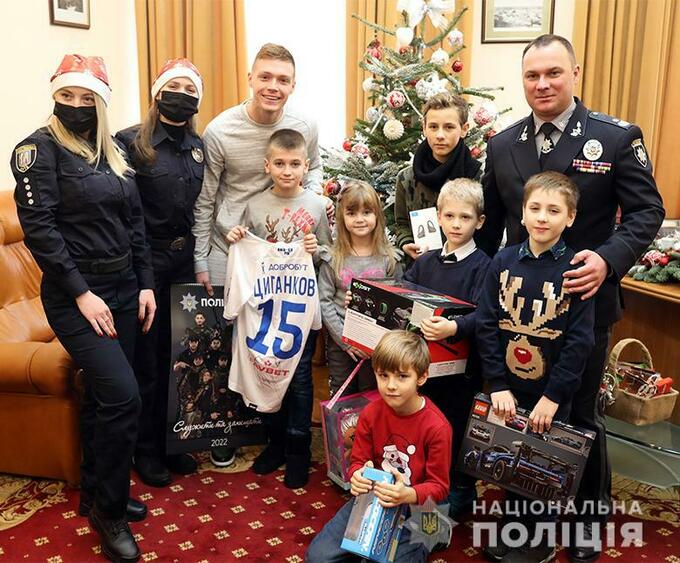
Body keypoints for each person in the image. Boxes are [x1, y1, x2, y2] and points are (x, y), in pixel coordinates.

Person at [476, 34, 665, 562]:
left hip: (585, 306)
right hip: (519, 309)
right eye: (532, 75)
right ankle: (527, 525)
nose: (542, 84)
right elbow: (491, 229)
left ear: (575, 74)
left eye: (553, 73)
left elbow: (647, 211)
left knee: (578, 418)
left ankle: (585, 526)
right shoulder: (503, 144)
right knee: (522, 416)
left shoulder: (614, 138)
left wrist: (608, 259)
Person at [11, 54, 156, 562]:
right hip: (77, 296)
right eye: (66, 95)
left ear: (101, 102)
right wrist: (81, 292)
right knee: (123, 396)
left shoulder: (113, 150)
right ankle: (109, 514)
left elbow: (134, 222)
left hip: (124, 287)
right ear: (55, 96)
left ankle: (95, 492)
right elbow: (41, 233)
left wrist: (145, 284)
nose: (76, 104)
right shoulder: (36, 151)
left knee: (100, 397)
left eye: (86, 97)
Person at [192, 42, 324, 467]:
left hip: (286, 249)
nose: (273, 86)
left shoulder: (304, 125)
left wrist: (307, 219)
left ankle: (282, 438)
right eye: (265, 77)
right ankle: (228, 429)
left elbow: (314, 175)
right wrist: (201, 258)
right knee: (233, 342)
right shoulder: (220, 131)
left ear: (293, 85)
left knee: (282, 346)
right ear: (250, 78)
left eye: (282, 79)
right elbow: (205, 199)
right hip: (231, 245)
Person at [476, 172, 596, 562]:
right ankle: (514, 529)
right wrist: (496, 383)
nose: (543, 217)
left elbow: (580, 342)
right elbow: (486, 323)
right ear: (523, 213)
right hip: (508, 389)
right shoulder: (503, 261)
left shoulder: (575, 270)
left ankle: (539, 541)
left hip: (550, 394)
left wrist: (553, 397)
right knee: (510, 456)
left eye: (554, 210)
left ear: (570, 217)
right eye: (535, 208)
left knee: (541, 466)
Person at [226, 128, 332, 488]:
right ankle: (275, 443)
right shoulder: (255, 206)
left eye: (295, 164)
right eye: (280, 163)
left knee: (300, 378)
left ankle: (298, 449)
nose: (288, 171)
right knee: (265, 369)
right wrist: (236, 238)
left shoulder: (316, 206)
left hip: (300, 308)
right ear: (267, 165)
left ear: (306, 166)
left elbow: (329, 253)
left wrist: (317, 249)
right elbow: (246, 252)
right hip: (265, 307)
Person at [116, 57, 205, 487]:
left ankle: (173, 443)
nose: (181, 96)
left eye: (191, 90)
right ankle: (146, 449)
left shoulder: (198, 146)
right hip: (146, 264)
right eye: (175, 87)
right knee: (149, 361)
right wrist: (140, 276)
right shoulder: (128, 142)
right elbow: (123, 214)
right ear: (157, 92)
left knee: (179, 357)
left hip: (184, 263)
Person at [305, 330, 452, 562]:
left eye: (402, 376)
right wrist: (357, 475)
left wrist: (408, 494)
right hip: (376, 496)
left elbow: (439, 487)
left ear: (422, 377)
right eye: (383, 375)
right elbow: (358, 462)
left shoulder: (437, 427)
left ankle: (437, 529)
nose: (391, 385)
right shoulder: (370, 414)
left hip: (420, 504)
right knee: (318, 557)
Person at [402, 178, 490, 519]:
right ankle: (425, 484)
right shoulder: (426, 262)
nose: (456, 224)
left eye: (465, 217)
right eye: (449, 216)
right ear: (438, 217)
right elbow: (403, 296)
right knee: (425, 424)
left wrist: (455, 327)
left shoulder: (484, 266)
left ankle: (460, 492)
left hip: (461, 374)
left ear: (479, 222)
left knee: (455, 428)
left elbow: (487, 315)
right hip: (423, 368)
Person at [318, 180, 400, 397]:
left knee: (371, 393)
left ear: (377, 215)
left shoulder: (390, 259)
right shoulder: (333, 258)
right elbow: (324, 301)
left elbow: (397, 305)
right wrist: (345, 341)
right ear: (341, 217)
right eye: (352, 213)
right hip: (341, 342)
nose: (360, 219)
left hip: (377, 344)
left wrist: (377, 342)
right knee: (341, 392)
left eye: (367, 212)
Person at [394, 92, 482, 261]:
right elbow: (401, 223)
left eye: (449, 127)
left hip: (466, 267)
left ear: (464, 129)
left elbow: (488, 228)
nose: (440, 135)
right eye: (433, 127)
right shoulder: (406, 178)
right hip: (420, 267)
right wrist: (406, 243)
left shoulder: (479, 176)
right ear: (424, 128)